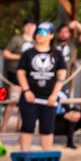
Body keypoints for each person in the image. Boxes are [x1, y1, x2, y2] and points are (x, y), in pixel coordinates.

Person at [17, 21, 67, 152]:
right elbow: (21, 73)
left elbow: (61, 75)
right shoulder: (28, 53)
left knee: (47, 128)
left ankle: (46, 157)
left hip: (49, 97)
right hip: (30, 96)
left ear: (51, 35)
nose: (40, 34)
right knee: (27, 126)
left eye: (44, 32)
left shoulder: (57, 54)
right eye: (38, 31)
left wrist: (54, 95)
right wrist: (26, 90)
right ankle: (25, 156)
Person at [2, 18, 36, 131]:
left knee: (25, 101)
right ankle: (3, 126)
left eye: (32, 26)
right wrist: (20, 57)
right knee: (13, 100)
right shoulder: (17, 39)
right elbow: (5, 53)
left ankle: (20, 126)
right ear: (23, 27)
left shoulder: (36, 42)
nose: (30, 28)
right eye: (28, 26)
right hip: (15, 73)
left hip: (29, 75)